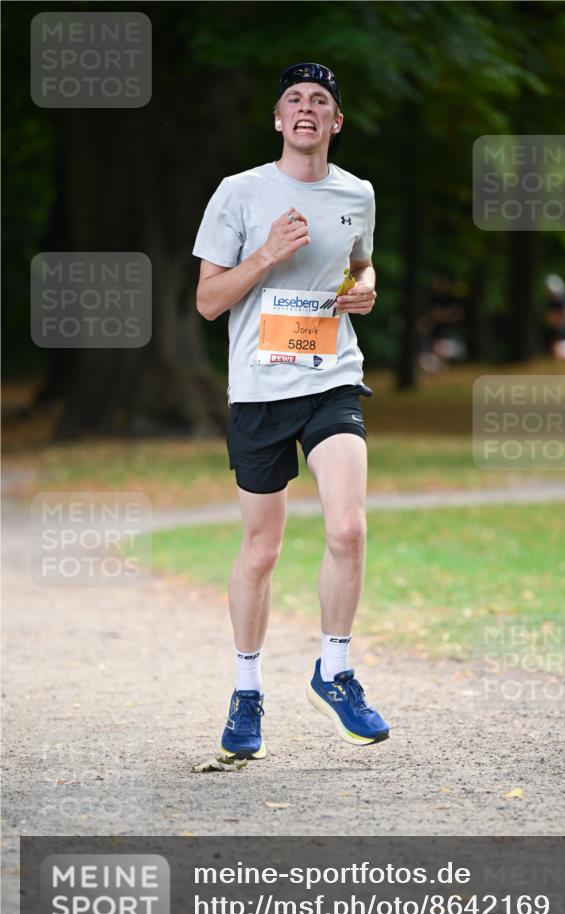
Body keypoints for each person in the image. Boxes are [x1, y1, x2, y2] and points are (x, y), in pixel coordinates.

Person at [192, 62, 389, 761]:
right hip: (258, 388)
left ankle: (334, 671)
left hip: (332, 376)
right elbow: (209, 301)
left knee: (346, 527)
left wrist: (363, 289)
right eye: (294, 100)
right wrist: (268, 254)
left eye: (322, 101)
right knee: (262, 548)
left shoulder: (356, 193)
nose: (307, 109)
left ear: (336, 123)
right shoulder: (239, 193)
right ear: (278, 119)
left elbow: (359, 266)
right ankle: (247, 690)